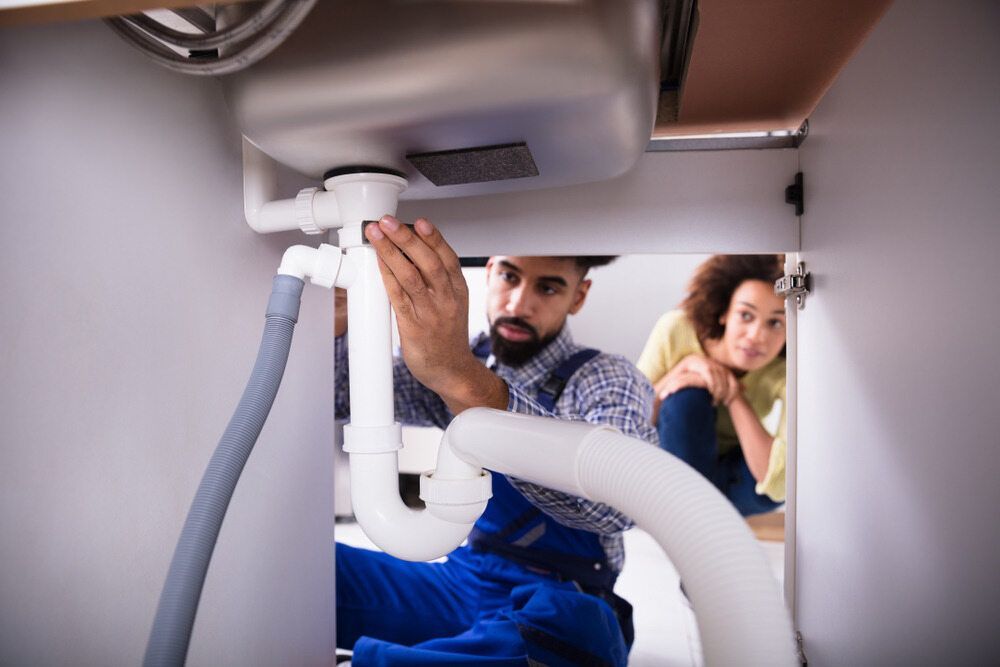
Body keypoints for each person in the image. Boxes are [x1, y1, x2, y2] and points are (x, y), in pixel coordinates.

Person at [334, 215, 657, 666]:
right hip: (465, 581)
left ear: (578, 296)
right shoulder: (464, 358)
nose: (520, 303)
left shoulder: (606, 378)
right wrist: (338, 326)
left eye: (547, 288)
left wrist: (465, 383)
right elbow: (343, 397)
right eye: (509, 276)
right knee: (317, 569)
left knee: (579, 630)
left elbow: (620, 502)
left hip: (561, 596)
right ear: (489, 272)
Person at [636, 255, 787, 516]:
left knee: (771, 488)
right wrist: (681, 372)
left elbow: (775, 482)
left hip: (729, 474)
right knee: (688, 397)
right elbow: (627, 425)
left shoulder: (784, 370)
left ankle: (700, 516)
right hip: (668, 468)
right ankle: (696, 517)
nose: (756, 336)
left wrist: (734, 396)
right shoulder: (676, 329)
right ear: (724, 312)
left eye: (775, 323)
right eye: (745, 315)